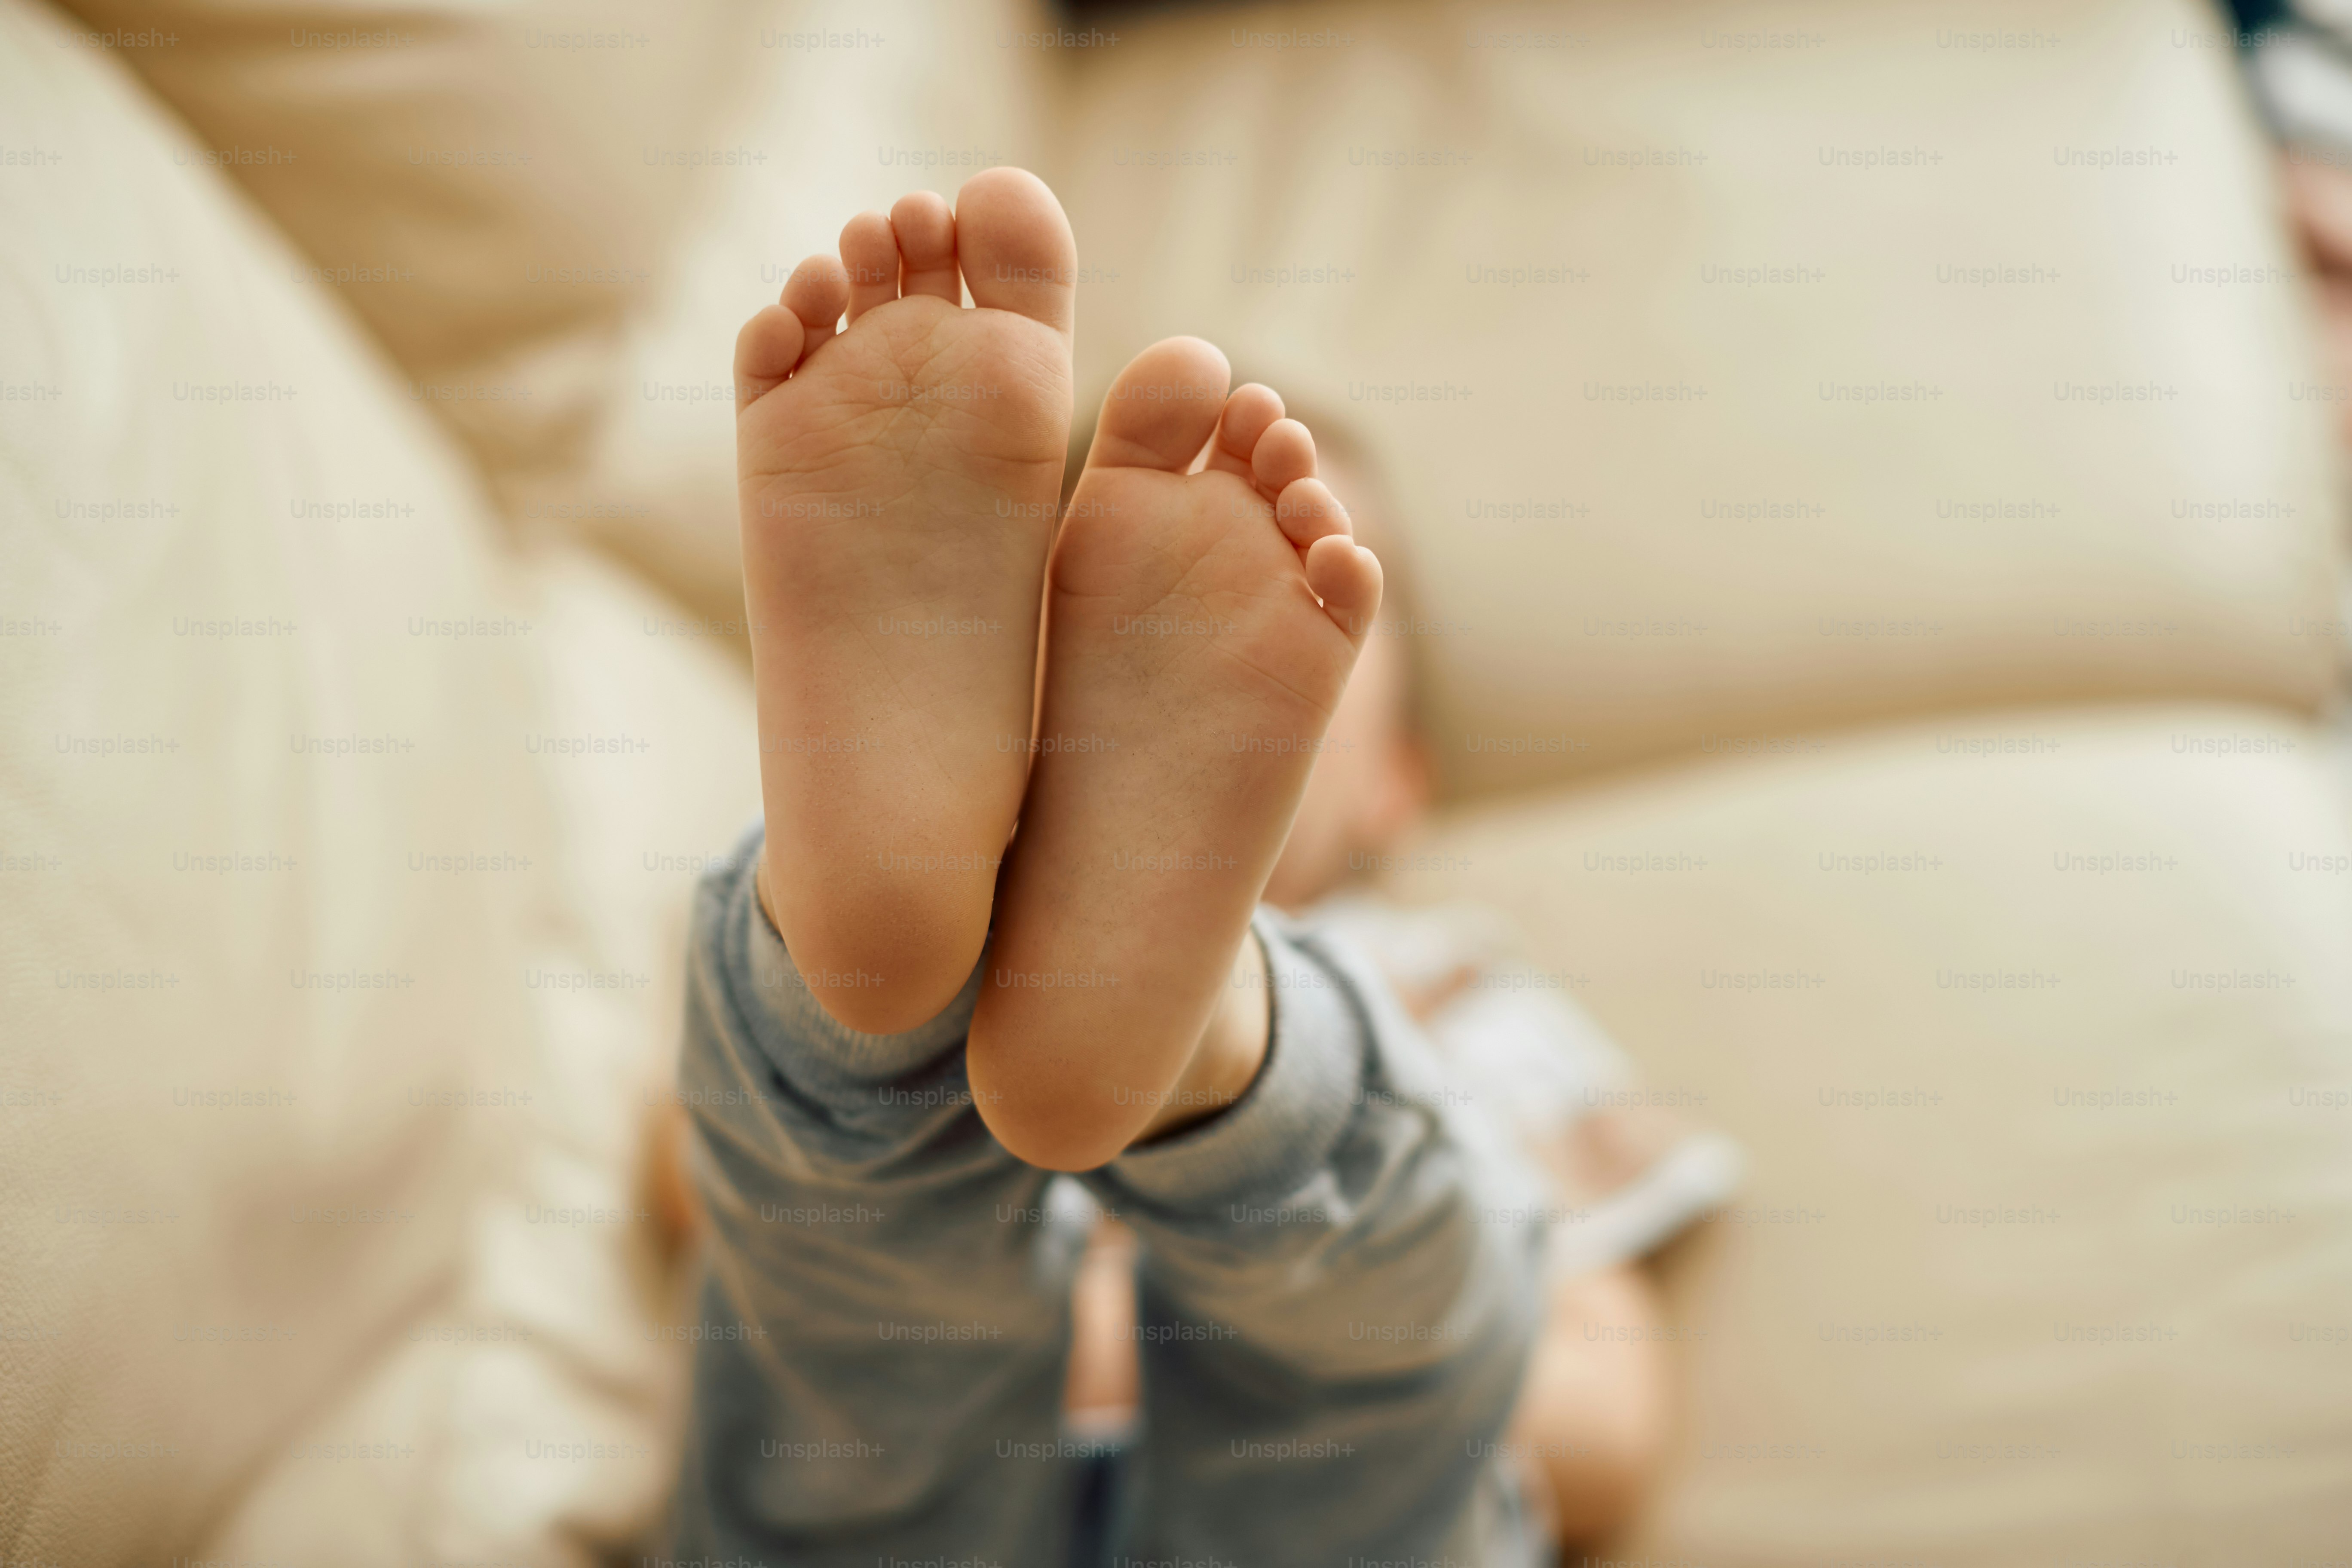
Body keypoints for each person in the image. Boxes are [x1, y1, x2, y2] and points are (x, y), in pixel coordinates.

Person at [663, 165, 1731, 1567]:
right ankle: (967, 1024)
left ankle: (1193, 1043)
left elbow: (1605, 1419)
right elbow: (681, 1174)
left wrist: (1120, 1333)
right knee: (860, 1244)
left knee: (845, 1274)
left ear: (1400, 781)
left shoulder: (1461, 984)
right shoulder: (1441, 996)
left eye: (1316, 601)